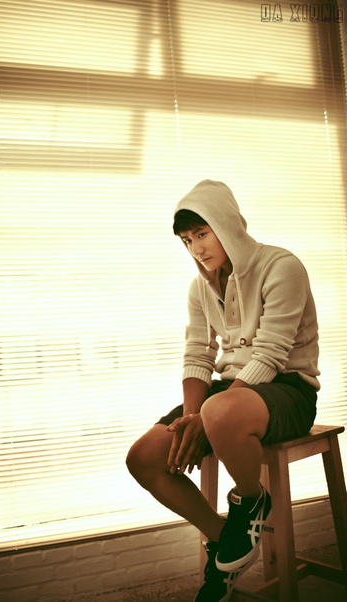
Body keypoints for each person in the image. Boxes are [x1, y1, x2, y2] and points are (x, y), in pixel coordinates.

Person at [126, 180, 320, 602]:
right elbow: (198, 354)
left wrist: (210, 415)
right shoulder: (200, 287)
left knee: (219, 411)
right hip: (230, 394)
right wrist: (191, 418)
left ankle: (251, 500)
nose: (196, 248)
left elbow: (270, 354)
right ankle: (225, 542)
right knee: (143, 458)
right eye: (187, 240)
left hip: (289, 388)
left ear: (226, 224)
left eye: (202, 233)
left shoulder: (282, 266)